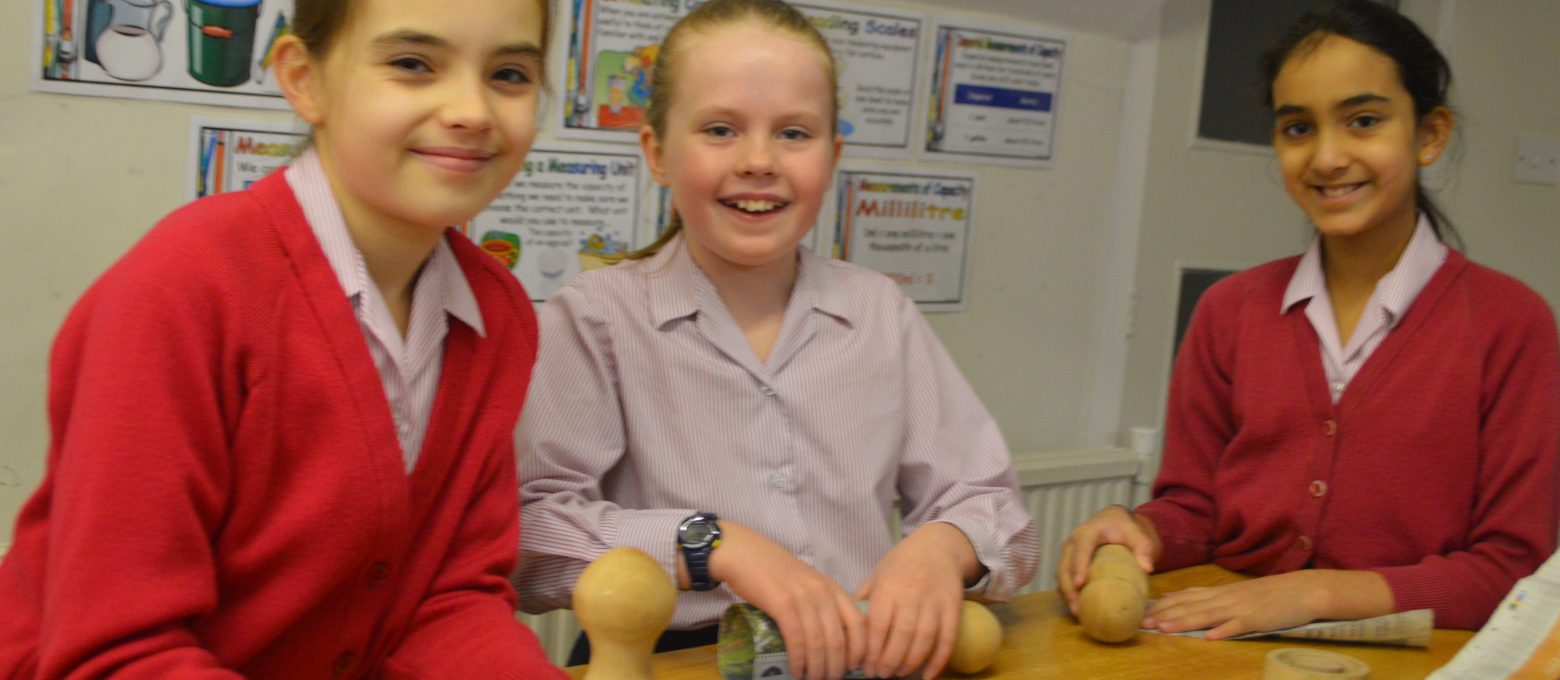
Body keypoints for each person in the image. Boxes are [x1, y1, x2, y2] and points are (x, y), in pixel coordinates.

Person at [0, 0, 566, 677]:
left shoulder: (495, 315)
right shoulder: (184, 290)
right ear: (304, 79)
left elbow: (446, 595)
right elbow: (116, 651)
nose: (472, 109)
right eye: (413, 64)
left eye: (509, 74)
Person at [513, 1, 1038, 678]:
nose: (759, 161)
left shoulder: (879, 312)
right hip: (678, 658)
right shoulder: (596, 318)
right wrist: (713, 544)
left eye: (794, 133)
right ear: (657, 153)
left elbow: (994, 506)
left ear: (833, 154)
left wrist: (942, 548)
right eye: (720, 129)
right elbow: (532, 535)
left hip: (857, 653)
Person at [1057, 0, 1559, 639]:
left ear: (1430, 135)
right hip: (1224, 643)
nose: (1326, 157)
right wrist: (1138, 529)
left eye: (1364, 121)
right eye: (1297, 128)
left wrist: (1313, 592)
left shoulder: (1509, 323)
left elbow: (1509, 571)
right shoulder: (1230, 311)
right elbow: (1196, 508)